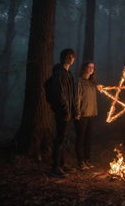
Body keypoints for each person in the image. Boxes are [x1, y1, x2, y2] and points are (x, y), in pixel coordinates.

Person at [50, 48, 77, 178]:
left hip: (68, 112)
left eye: (73, 57)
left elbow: (72, 94)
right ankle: (55, 167)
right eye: (71, 57)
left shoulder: (68, 73)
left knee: (64, 138)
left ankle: (61, 163)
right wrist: (65, 109)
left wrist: (74, 110)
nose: (73, 59)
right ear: (66, 58)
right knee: (60, 139)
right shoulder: (59, 73)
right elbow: (60, 94)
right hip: (62, 112)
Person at [74, 61, 98, 170]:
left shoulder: (92, 83)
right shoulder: (79, 81)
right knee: (81, 138)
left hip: (91, 114)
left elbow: (93, 99)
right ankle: (80, 161)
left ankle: (87, 160)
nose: (91, 69)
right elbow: (77, 98)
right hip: (82, 114)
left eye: (92, 67)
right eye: (89, 66)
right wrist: (77, 112)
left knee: (88, 138)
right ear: (84, 68)